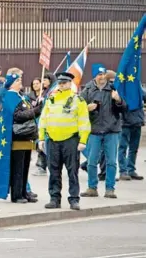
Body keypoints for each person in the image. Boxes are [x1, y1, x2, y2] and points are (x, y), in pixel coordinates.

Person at [38, 72, 90, 210]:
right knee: (53, 171)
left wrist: (83, 141)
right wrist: (41, 138)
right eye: (60, 83)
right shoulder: (51, 99)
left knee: (72, 171)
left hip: (71, 140)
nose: (61, 85)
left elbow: (84, 122)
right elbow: (43, 119)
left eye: (64, 83)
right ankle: (54, 199)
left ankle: (74, 199)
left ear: (70, 84)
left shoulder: (78, 100)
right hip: (53, 140)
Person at [80, 64, 126, 198]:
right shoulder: (87, 90)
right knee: (92, 161)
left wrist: (118, 100)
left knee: (111, 161)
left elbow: (124, 108)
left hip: (111, 130)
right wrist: (86, 108)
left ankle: (110, 189)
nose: (102, 77)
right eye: (99, 74)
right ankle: (92, 188)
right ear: (94, 76)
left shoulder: (113, 88)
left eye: (103, 74)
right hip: (94, 131)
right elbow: (78, 107)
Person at [5, 72, 41, 203]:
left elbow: (27, 111)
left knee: (25, 166)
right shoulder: (10, 97)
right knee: (18, 168)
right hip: (18, 137)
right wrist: (36, 111)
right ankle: (16, 194)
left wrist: (37, 107)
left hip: (26, 136)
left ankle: (24, 192)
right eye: (17, 81)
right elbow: (18, 116)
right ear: (11, 84)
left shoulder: (20, 96)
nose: (20, 82)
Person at [118, 87, 146, 181]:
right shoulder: (121, 87)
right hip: (125, 122)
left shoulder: (137, 88)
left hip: (137, 121)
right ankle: (123, 171)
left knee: (134, 148)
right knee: (123, 148)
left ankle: (131, 169)